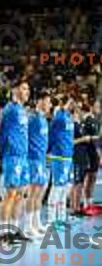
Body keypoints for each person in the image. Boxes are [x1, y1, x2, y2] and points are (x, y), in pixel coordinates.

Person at [0, 78, 30, 245]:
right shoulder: (10, 110)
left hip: (23, 157)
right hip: (12, 157)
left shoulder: (22, 110)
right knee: (10, 194)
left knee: (20, 195)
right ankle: (3, 233)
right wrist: (2, 154)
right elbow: (1, 134)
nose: (27, 92)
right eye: (24, 89)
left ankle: (15, 230)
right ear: (15, 90)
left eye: (28, 89)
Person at [24, 90, 52, 237]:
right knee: (33, 193)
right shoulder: (33, 119)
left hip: (41, 159)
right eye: (48, 101)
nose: (50, 105)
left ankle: (37, 222)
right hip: (33, 159)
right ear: (40, 101)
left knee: (40, 193)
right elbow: (25, 138)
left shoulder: (43, 119)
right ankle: (28, 226)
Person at [47, 94, 75, 228]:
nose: (73, 104)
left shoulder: (69, 117)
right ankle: (52, 220)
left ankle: (61, 218)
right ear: (66, 101)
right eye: (71, 101)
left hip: (68, 155)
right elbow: (51, 135)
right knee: (57, 186)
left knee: (64, 188)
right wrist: (50, 150)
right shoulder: (58, 117)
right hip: (59, 156)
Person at [81, 100, 100, 212]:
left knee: (93, 177)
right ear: (91, 107)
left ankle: (90, 201)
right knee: (87, 178)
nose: (98, 108)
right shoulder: (87, 120)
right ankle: (85, 202)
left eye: (99, 106)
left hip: (96, 154)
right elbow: (85, 137)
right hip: (88, 153)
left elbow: (98, 139)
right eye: (96, 106)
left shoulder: (97, 120)